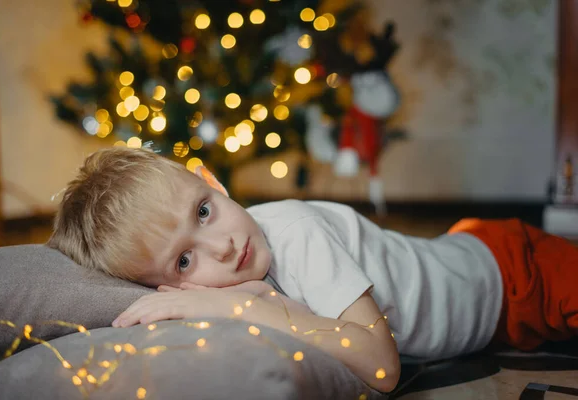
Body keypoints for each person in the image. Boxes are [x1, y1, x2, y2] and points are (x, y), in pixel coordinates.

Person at [48, 147, 578, 392]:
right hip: (473, 287)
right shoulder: (222, 282)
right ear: (164, 284)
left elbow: (380, 368)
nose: (225, 246)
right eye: (185, 259)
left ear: (211, 179)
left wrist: (236, 304)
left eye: (203, 211)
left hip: (511, 273)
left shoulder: (295, 233)